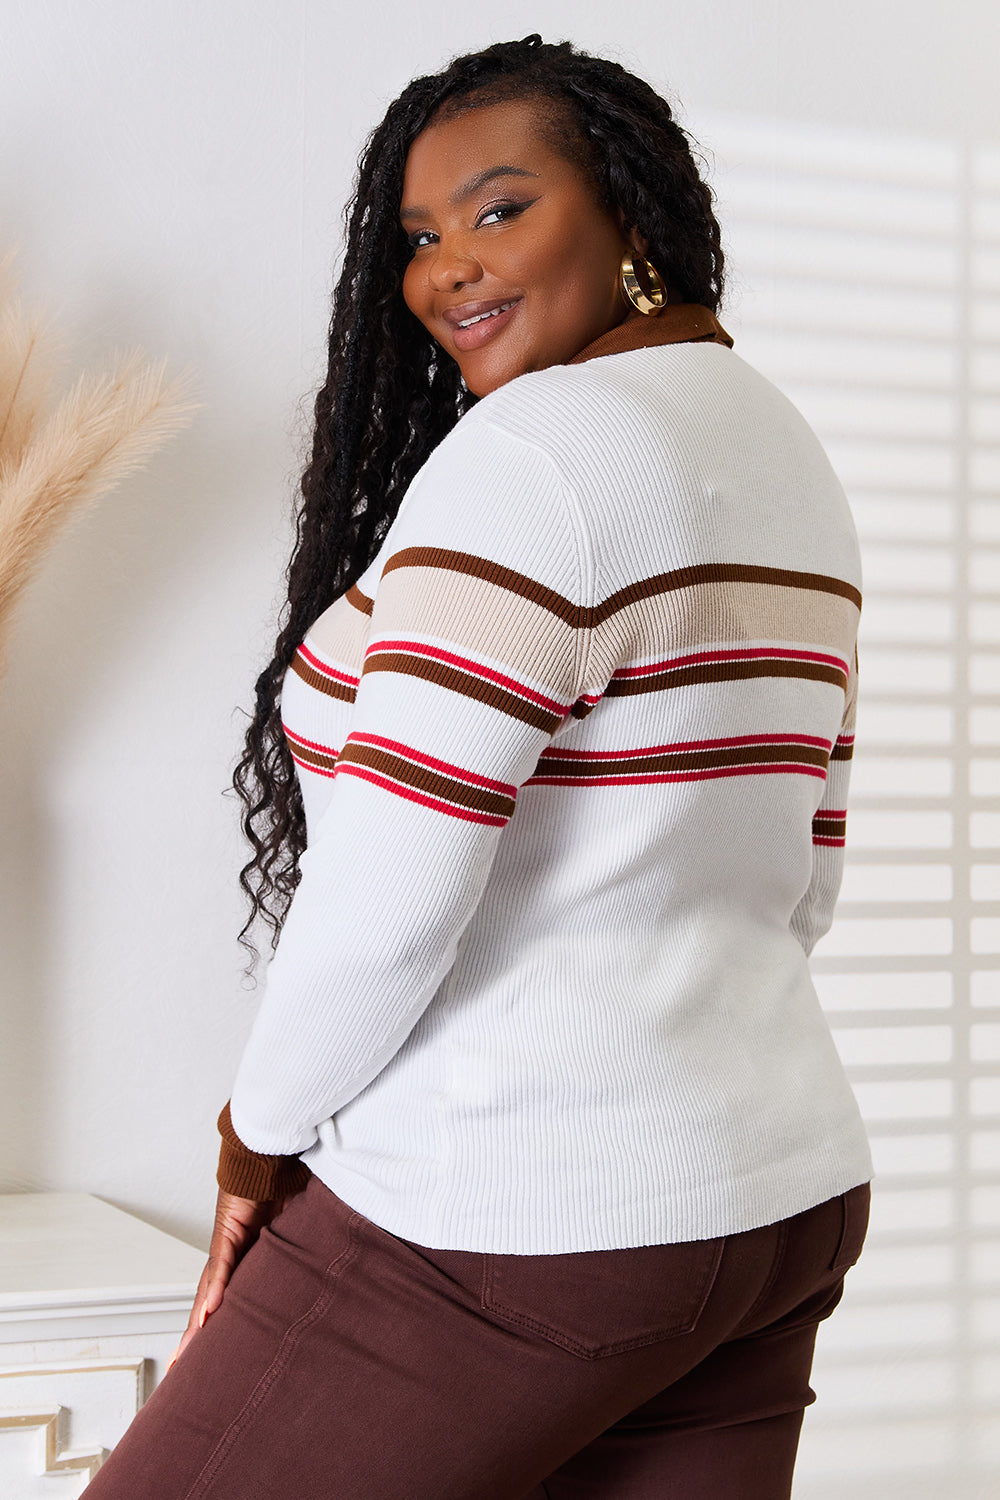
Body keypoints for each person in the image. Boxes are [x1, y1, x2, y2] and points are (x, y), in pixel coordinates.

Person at [84, 34, 872, 1500]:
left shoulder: (543, 454)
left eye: (501, 209)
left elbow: (392, 901)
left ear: (631, 211)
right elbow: (806, 861)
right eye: (422, 236)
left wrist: (254, 1147)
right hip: (770, 1194)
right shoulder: (778, 446)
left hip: (513, 1210)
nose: (448, 269)